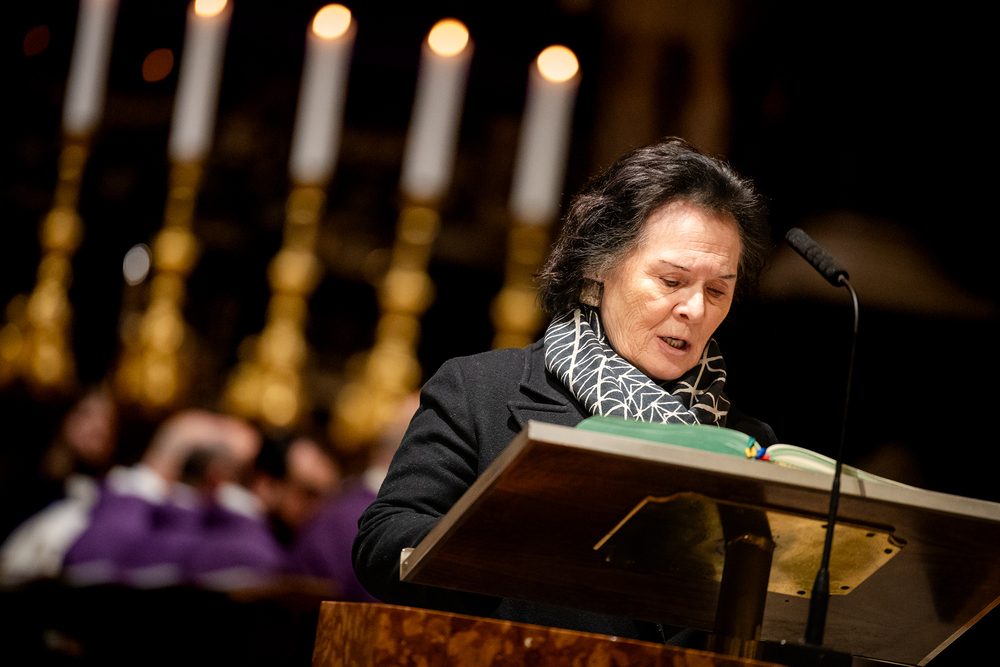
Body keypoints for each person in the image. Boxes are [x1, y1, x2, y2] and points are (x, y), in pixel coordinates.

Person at [352, 137, 777, 642]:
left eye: (717, 290)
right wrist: (516, 547)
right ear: (597, 267)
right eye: (671, 281)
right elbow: (382, 543)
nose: (695, 309)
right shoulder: (479, 391)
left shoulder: (748, 442)